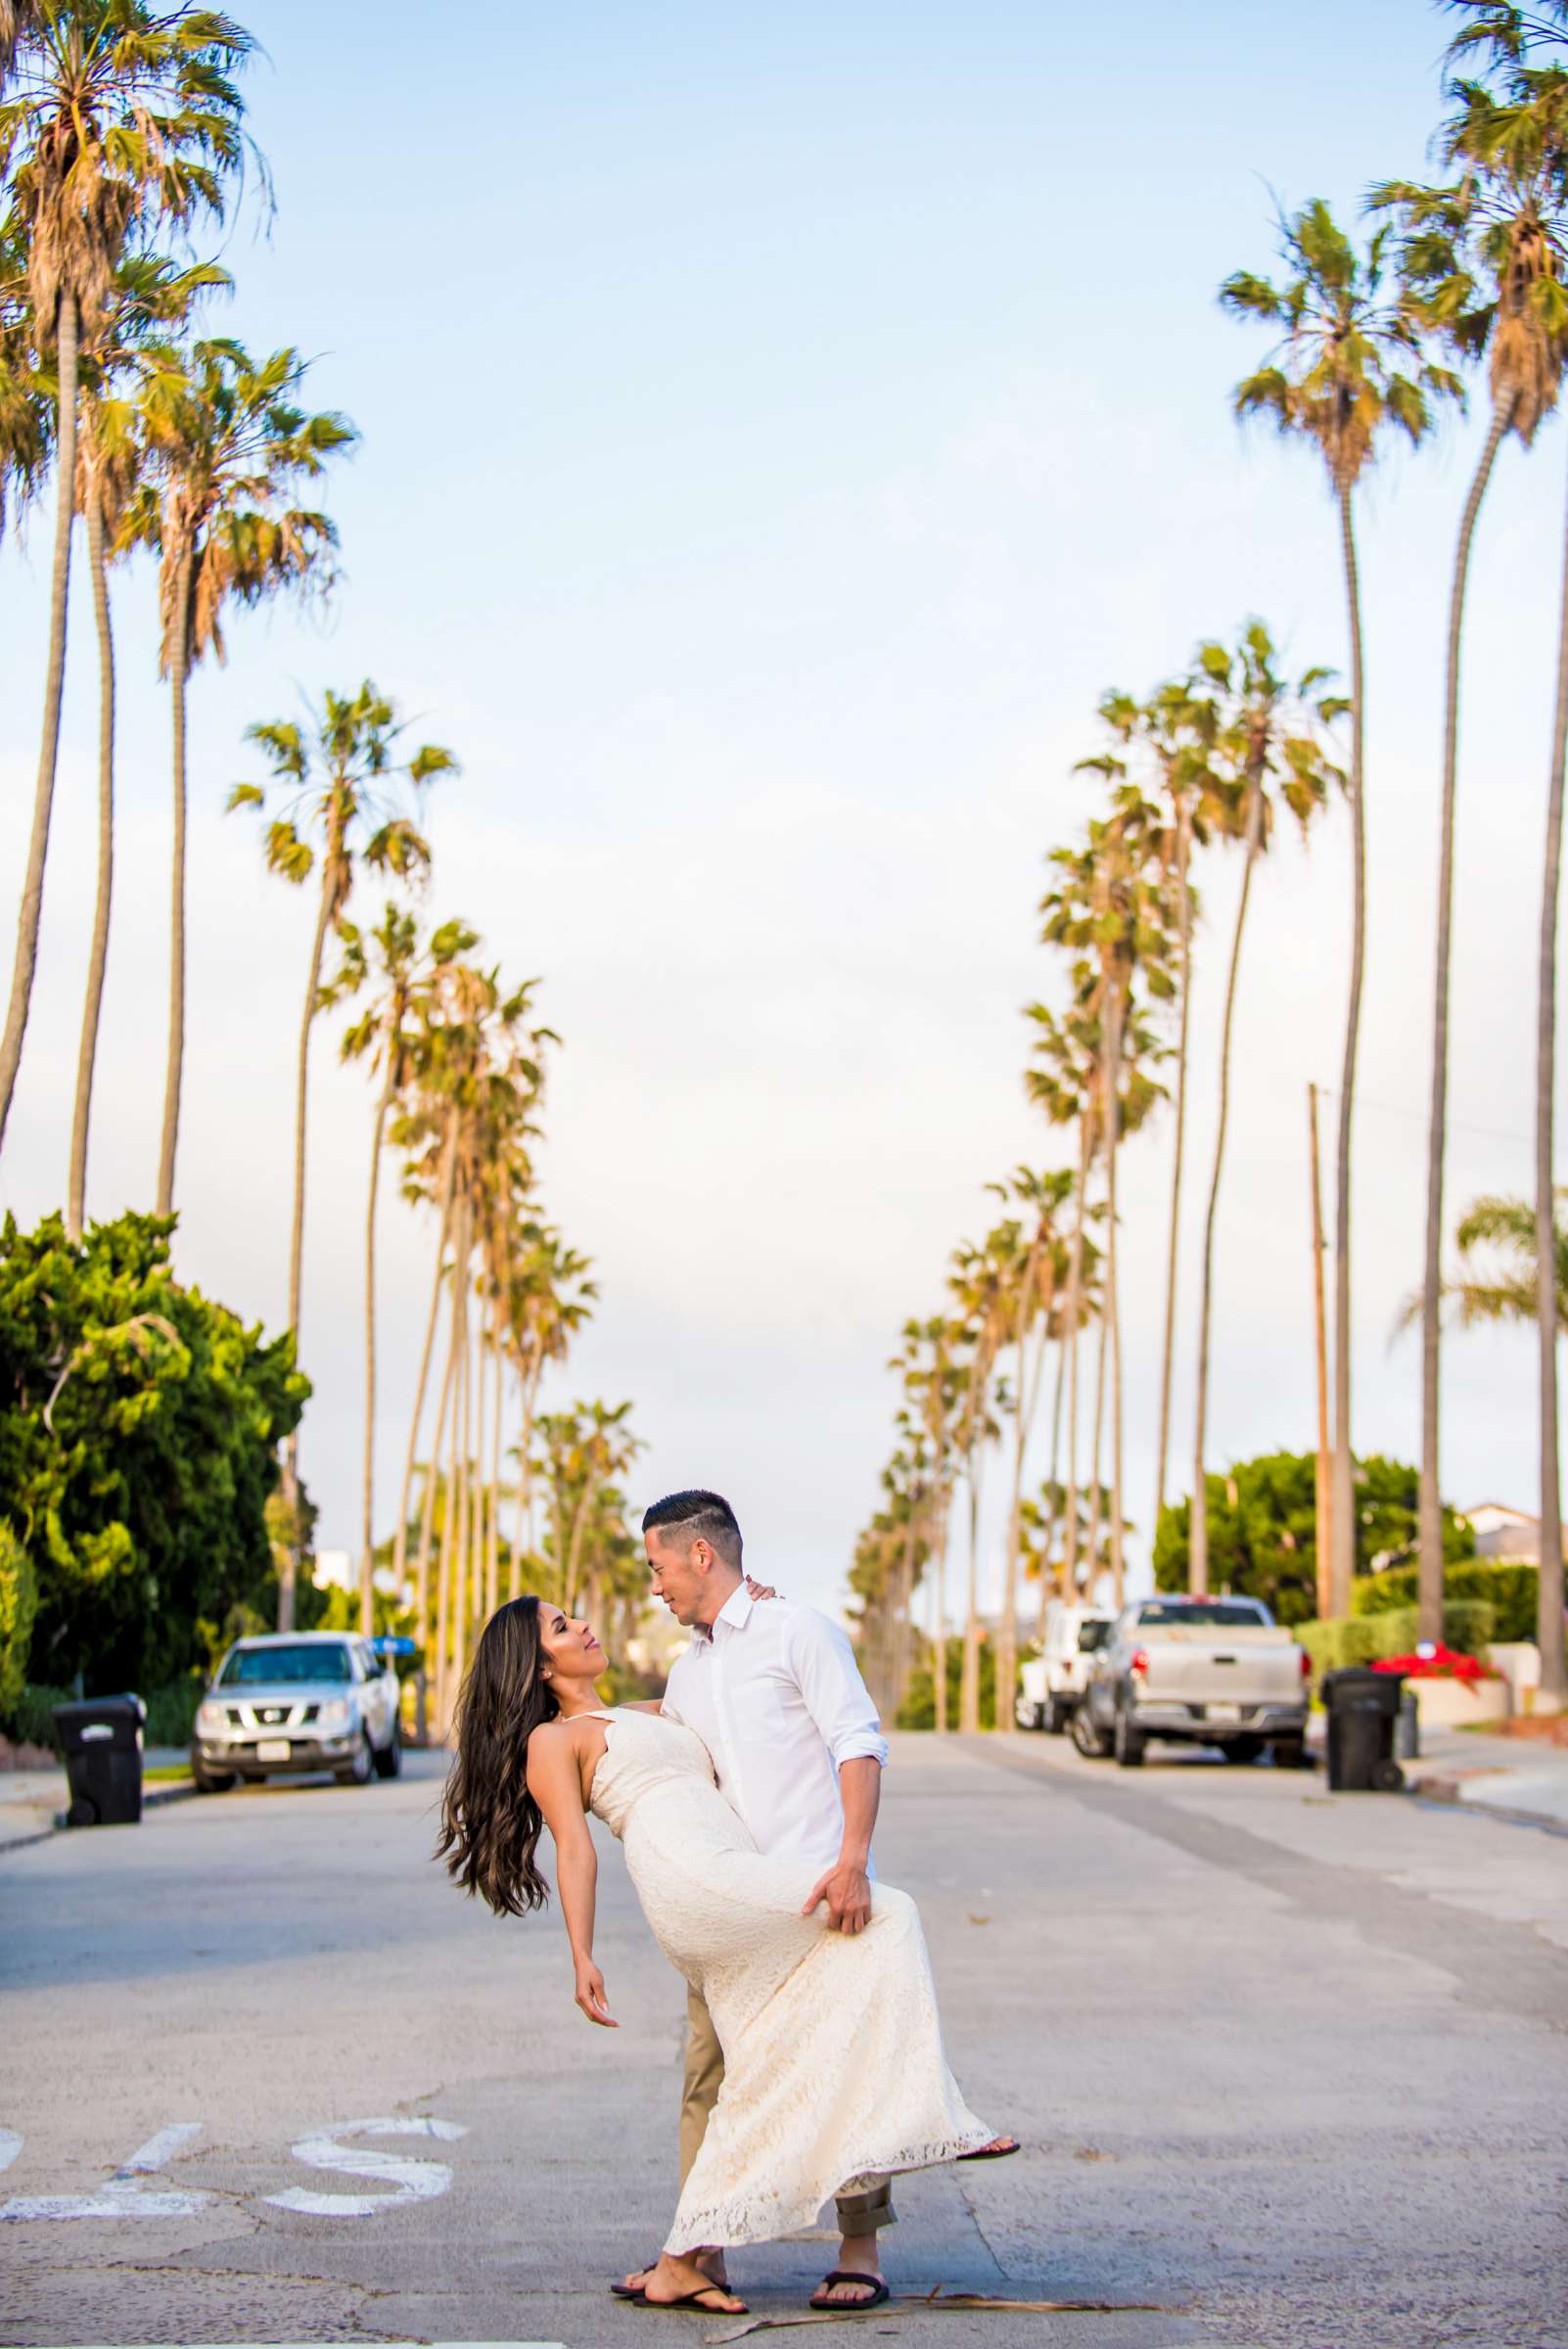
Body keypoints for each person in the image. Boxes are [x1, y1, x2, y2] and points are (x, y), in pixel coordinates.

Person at [438, 1487, 1016, 2318]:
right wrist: (582, 1953)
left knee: (833, 2028)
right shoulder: (654, 1688)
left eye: (657, 1567)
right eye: (564, 1625)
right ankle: (706, 2246)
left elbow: (856, 1740)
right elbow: (577, 1841)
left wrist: (852, 1858)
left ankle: (812, 2246)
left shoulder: (782, 1636)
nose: (649, 1589)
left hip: (807, 1876)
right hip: (720, 1890)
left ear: (699, 1555)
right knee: (714, 2074)